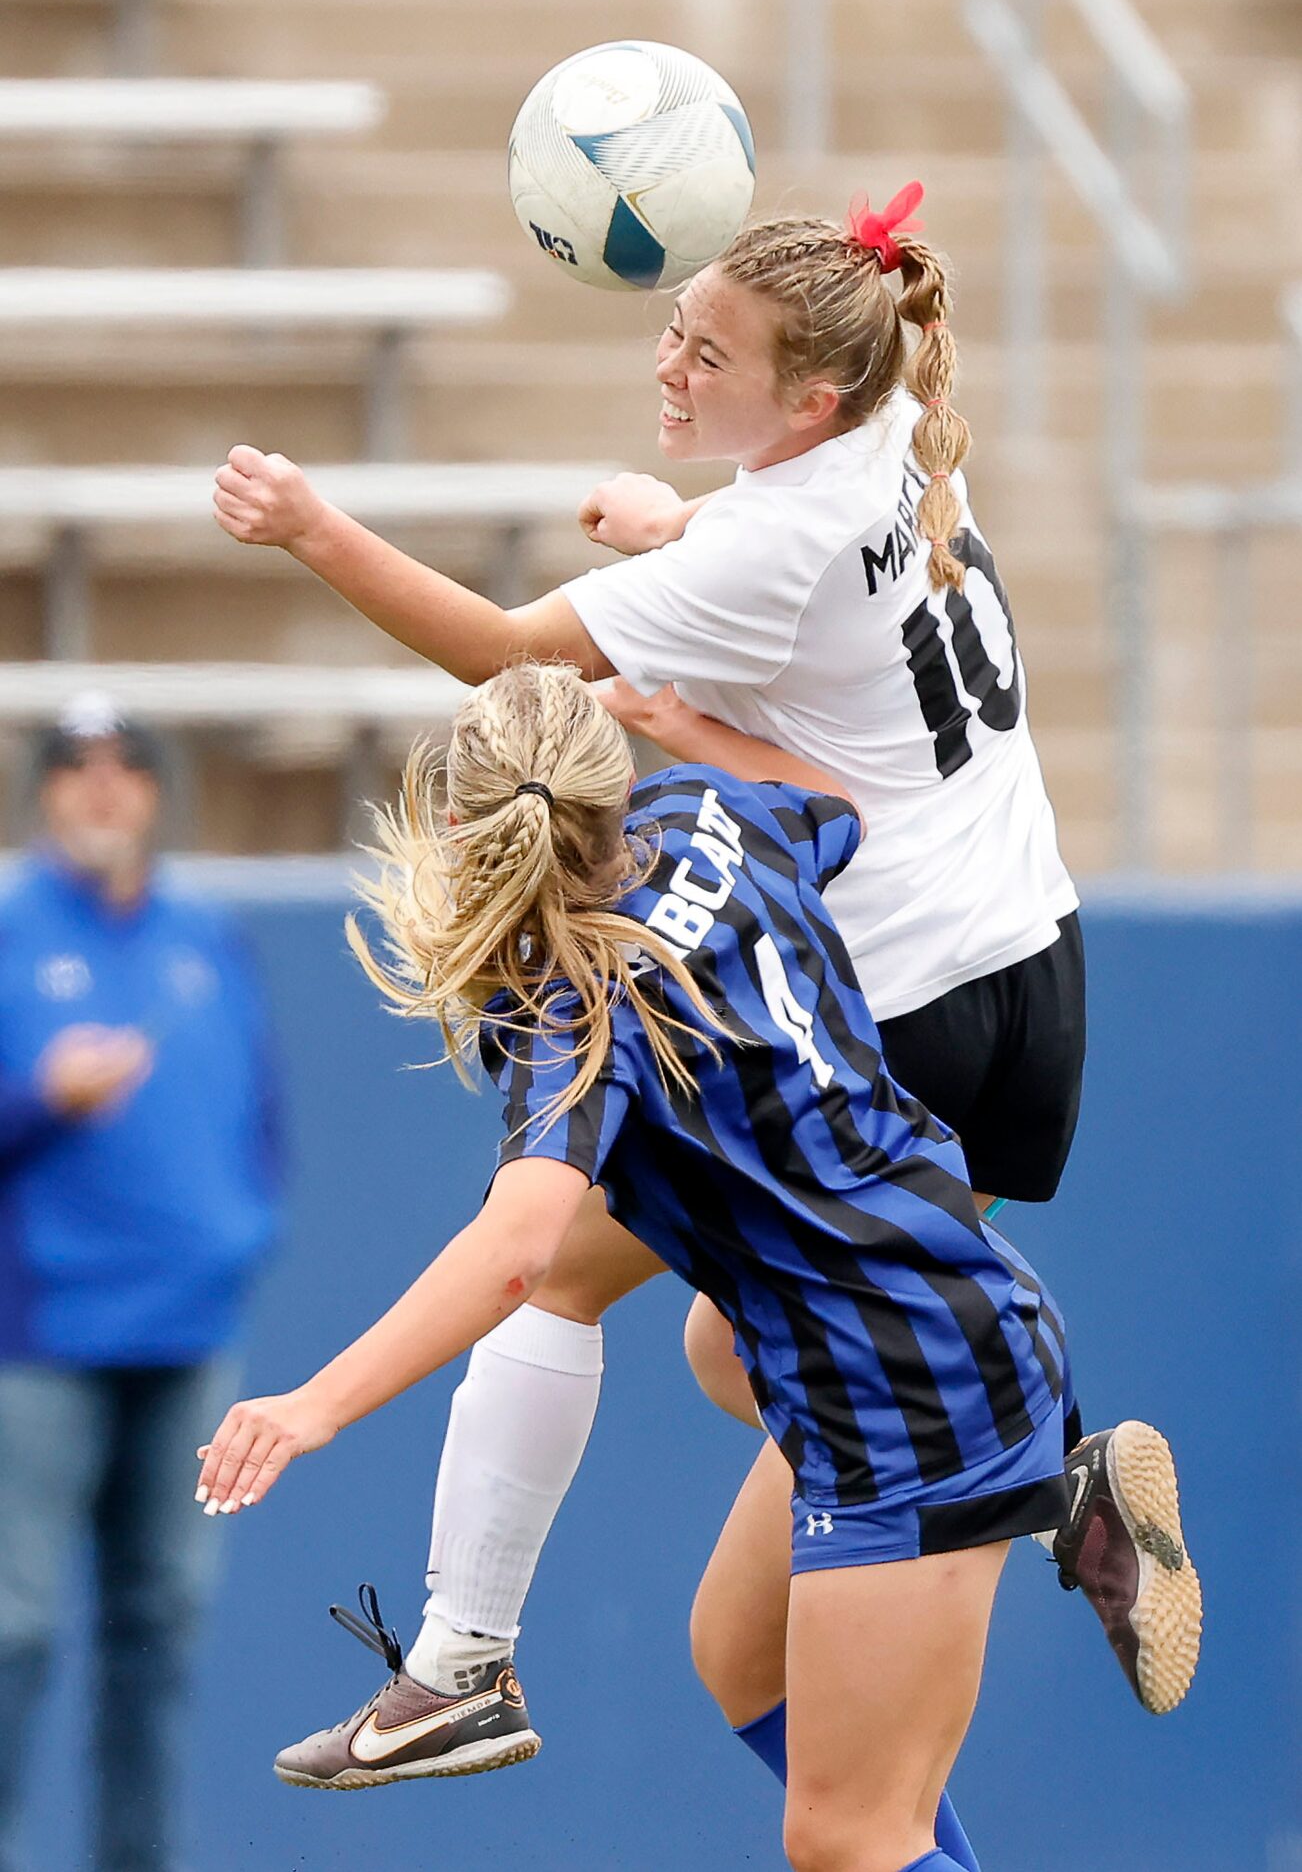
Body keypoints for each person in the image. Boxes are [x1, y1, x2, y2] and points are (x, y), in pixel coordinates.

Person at [209, 182, 1199, 1777]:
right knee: (736, 1359)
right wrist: (677, 542)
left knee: (566, 1274)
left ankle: (465, 1656)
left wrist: (311, 526)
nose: (668, 361)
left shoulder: (763, 547)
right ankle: (1045, 1476)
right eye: (672, 325)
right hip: (1029, 977)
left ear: (807, 395)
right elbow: (821, 652)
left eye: (705, 348)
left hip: (906, 995)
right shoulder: (893, 430)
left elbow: (505, 653)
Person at [193, 665, 1193, 1872]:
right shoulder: (715, 814)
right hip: (924, 1326)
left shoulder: (575, 1005)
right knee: (739, 1653)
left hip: (909, 1391)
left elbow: (517, 1249)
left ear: (461, 827)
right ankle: (1054, 1497)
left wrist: (311, 1406)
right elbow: (848, 806)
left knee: (846, 1839)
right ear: (616, 788)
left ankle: (460, 1663)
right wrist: (691, 725)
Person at [0, 694, 283, 1872]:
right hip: (39, 1342)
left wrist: (238, 1236)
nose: (101, 787)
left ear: (159, 791)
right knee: (13, 1630)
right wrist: (36, 1102)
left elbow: (261, 1123)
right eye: (74, 767)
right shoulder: (10, 933)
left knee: (160, 1633)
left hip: (189, 1337)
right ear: (46, 791)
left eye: (125, 766)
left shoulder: (205, 938)